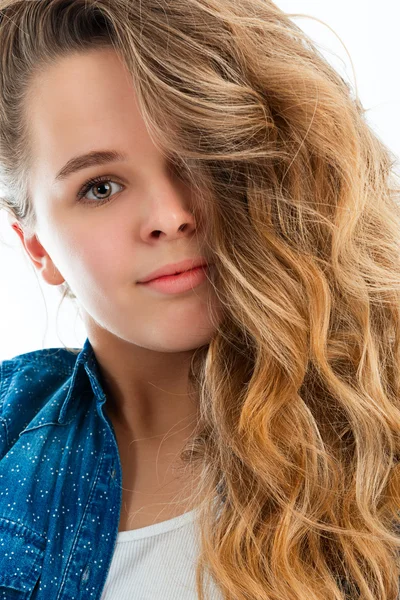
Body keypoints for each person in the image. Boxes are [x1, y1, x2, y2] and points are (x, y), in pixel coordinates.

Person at [0, 0, 399, 599]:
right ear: (36, 247)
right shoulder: (12, 447)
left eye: (199, 156)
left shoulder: (382, 418)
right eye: (100, 187)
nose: (170, 217)